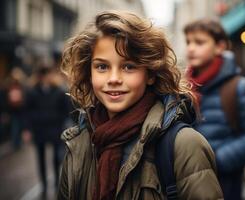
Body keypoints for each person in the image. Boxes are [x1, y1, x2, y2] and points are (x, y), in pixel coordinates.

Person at [57, 10, 223, 200]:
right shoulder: (78, 143)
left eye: (128, 66)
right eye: (102, 66)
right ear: (90, 72)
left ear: (150, 74)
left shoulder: (184, 145)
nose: (113, 79)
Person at [183, 19, 245, 199]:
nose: (191, 48)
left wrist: (218, 159)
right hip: (187, 182)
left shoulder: (238, 86)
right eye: (188, 42)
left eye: (199, 42)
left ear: (219, 47)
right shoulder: (184, 86)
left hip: (225, 184)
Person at [24, 66, 71, 198]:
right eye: (44, 74)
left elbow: (66, 110)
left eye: (48, 74)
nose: (47, 77)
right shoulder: (32, 92)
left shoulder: (59, 91)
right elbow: (27, 111)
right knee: (41, 158)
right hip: (39, 130)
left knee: (56, 157)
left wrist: (63, 122)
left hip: (55, 129)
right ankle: (43, 184)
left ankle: (57, 182)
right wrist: (27, 129)